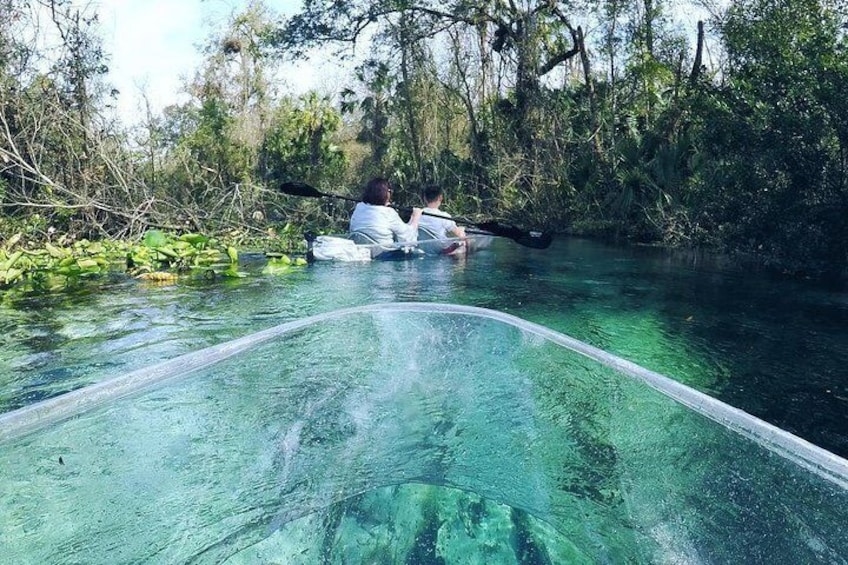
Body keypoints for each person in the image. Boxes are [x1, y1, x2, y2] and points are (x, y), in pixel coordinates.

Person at [349, 177, 422, 245]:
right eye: (389, 191)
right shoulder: (388, 213)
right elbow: (407, 238)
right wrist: (415, 216)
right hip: (385, 254)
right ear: (385, 193)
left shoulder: (359, 207)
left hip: (363, 251)